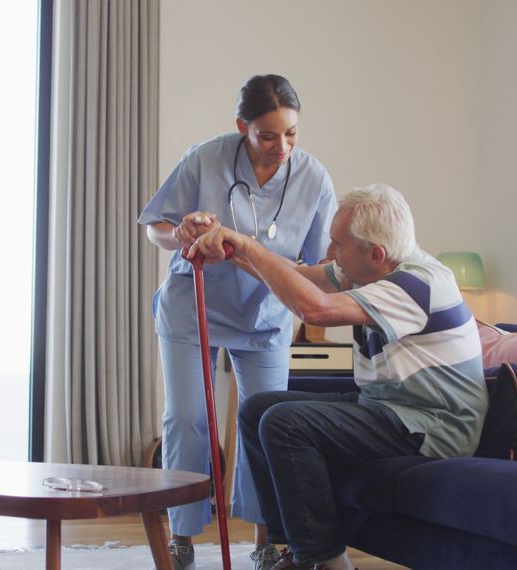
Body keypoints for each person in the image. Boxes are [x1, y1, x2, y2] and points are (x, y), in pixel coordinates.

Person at [190, 183, 488, 570]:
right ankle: (297, 551)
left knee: (285, 423)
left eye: (337, 244)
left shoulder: (417, 284)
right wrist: (231, 251)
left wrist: (246, 246)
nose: (330, 253)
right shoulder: (371, 268)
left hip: (433, 423)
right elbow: (298, 276)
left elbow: (314, 310)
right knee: (258, 408)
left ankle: (327, 560)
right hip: (392, 406)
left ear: (376, 254)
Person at [137, 74, 337, 570]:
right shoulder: (205, 158)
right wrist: (182, 233)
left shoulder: (313, 177)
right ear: (242, 128)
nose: (281, 146)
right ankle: (182, 536)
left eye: (291, 133)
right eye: (267, 135)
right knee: (187, 417)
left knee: (267, 424)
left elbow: (324, 266)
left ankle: (265, 539)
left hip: (265, 315)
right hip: (194, 304)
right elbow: (155, 227)